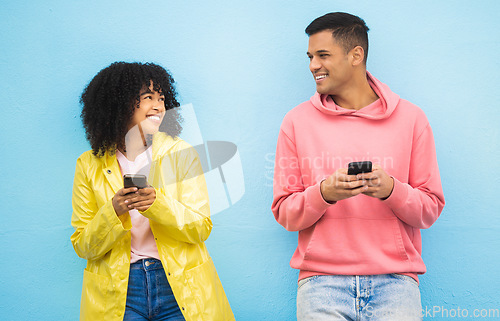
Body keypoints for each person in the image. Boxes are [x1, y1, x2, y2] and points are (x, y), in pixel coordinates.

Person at [271, 12, 445, 320]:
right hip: (320, 285)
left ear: (356, 55)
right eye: (310, 56)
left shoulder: (412, 120)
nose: (313, 65)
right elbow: (285, 212)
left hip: (396, 284)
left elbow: (430, 208)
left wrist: (390, 189)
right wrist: (324, 193)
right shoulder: (296, 122)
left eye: (323, 55)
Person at [71, 62, 234, 321]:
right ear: (119, 102)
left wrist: (157, 203)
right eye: (148, 97)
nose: (159, 106)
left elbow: (201, 228)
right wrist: (113, 212)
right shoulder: (88, 164)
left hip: (178, 282)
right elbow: (83, 245)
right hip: (121, 288)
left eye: (161, 98)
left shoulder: (181, 153)